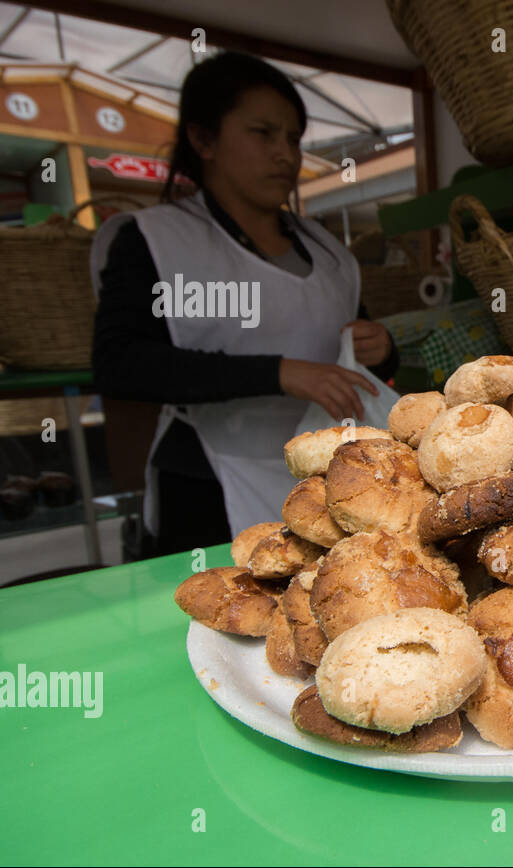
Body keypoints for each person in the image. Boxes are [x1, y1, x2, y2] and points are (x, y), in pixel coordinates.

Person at [91, 51, 398, 557]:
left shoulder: (329, 252)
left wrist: (381, 347)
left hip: (322, 476)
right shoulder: (155, 241)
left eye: (294, 140)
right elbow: (120, 364)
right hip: (207, 479)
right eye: (263, 133)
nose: (286, 154)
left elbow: (353, 345)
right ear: (203, 139)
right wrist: (278, 373)